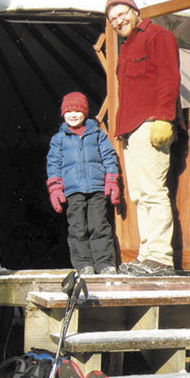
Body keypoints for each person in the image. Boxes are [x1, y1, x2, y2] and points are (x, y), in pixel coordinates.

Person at [105, 0, 180, 276]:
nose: (118, 21)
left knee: (152, 191)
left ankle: (160, 258)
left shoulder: (157, 36)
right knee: (139, 194)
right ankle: (147, 254)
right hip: (131, 129)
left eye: (122, 13)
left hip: (150, 124)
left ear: (135, 11)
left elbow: (169, 77)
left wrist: (164, 118)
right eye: (112, 19)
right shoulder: (127, 46)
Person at [46, 92, 121, 275]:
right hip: (73, 190)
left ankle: (104, 264)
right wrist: (55, 188)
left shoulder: (97, 134)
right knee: (78, 227)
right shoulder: (59, 139)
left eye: (77, 111)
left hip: (97, 188)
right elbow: (53, 163)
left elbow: (109, 156)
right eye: (69, 111)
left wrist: (111, 180)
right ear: (63, 114)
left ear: (85, 113)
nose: (73, 115)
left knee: (99, 225)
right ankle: (83, 264)